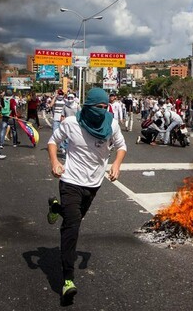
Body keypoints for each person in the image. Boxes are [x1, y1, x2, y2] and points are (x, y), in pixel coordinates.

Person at [46, 88, 126, 303]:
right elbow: (53, 142)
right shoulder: (71, 123)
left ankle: (56, 208)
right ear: (88, 107)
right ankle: (67, 280)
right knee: (72, 228)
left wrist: (116, 165)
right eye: (97, 108)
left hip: (94, 183)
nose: (101, 111)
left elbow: (121, 146)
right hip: (70, 180)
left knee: (76, 218)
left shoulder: (111, 124)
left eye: (104, 107)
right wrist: (55, 162)